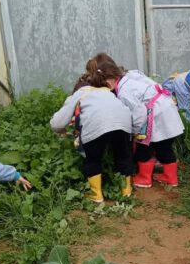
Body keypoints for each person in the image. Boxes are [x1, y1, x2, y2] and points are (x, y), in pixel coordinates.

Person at [50, 62, 145, 202]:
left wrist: (59, 130)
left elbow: (58, 122)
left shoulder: (80, 93)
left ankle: (96, 195)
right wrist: (134, 131)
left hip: (96, 126)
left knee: (93, 159)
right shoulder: (108, 92)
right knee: (123, 155)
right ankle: (126, 191)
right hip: (123, 123)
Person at [96, 61, 185, 187]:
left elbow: (139, 113)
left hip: (155, 114)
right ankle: (171, 178)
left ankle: (144, 178)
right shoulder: (129, 76)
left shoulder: (124, 92)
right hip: (167, 107)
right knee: (165, 147)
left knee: (144, 147)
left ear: (110, 80)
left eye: (104, 83)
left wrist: (135, 131)